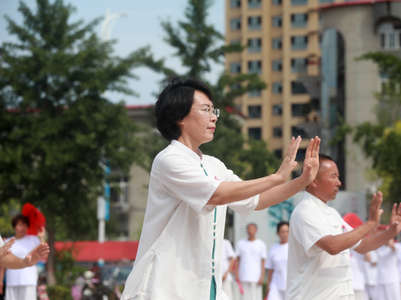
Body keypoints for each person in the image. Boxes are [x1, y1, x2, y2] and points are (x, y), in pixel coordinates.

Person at [120, 78, 321, 300]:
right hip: (163, 287)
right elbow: (216, 195)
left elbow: (257, 199)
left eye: (213, 110)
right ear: (180, 117)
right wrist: (276, 177)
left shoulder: (214, 165)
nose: (214, 116)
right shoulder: (169, 160)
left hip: (206, 286)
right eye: (206, 110)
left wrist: (301, 181)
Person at [286, 154, 401, 300]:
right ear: (313, 181)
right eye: (333, 176)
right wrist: (370, 224)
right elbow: (332, 246)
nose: (339, 183)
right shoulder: (305, 211)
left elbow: (362, 245)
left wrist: (391, 232)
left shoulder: (332, 213)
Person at [0, 214, 47, 300]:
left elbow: (44, 253)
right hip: (12, 280)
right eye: (20, 225)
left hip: (28, 280)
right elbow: (3, 262)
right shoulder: (7, 241)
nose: (23, 228)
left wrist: (42, 238)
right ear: (14, 226)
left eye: (25, 225)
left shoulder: (34, 239)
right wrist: (0, 280)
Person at [235, 223, 267, 300]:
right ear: (246, 230)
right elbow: (237, 260)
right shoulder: (240, 243)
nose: (250, 231)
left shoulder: (261, 244)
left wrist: (262, 276)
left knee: (256, 297)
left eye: (252, 229)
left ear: (256, 230)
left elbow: (263, 261)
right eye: (249, 229)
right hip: (243, 275)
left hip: (256, 277)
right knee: (243, 297)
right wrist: (236, 274)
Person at [266, 221, 289, 300]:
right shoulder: (273, 248)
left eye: (287, 231)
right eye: (282, 232)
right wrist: (268, 285)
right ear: (278, 233)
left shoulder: (293, 248)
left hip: (290, 284)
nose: (285, 234)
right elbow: (270, 269)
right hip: (276, 284)